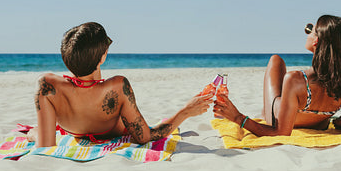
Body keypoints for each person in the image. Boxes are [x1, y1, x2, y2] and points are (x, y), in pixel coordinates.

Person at [28, 22, 211, 147]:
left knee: (35, 130)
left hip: (73, 131)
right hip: (115, 131)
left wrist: (35, 133)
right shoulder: (117, 87)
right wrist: (186, 111)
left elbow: (45, 145)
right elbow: (145, 137)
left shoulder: (47, 86)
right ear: (102, 57)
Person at [213, 15, 341, 137]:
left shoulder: (296, 80)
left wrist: (237, 117)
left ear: (316, 41)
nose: (308, 32)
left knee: (276, 60)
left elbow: (279, 133)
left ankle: (265, 111)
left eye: (311, 30)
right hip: (318, 124)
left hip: (283, 119)